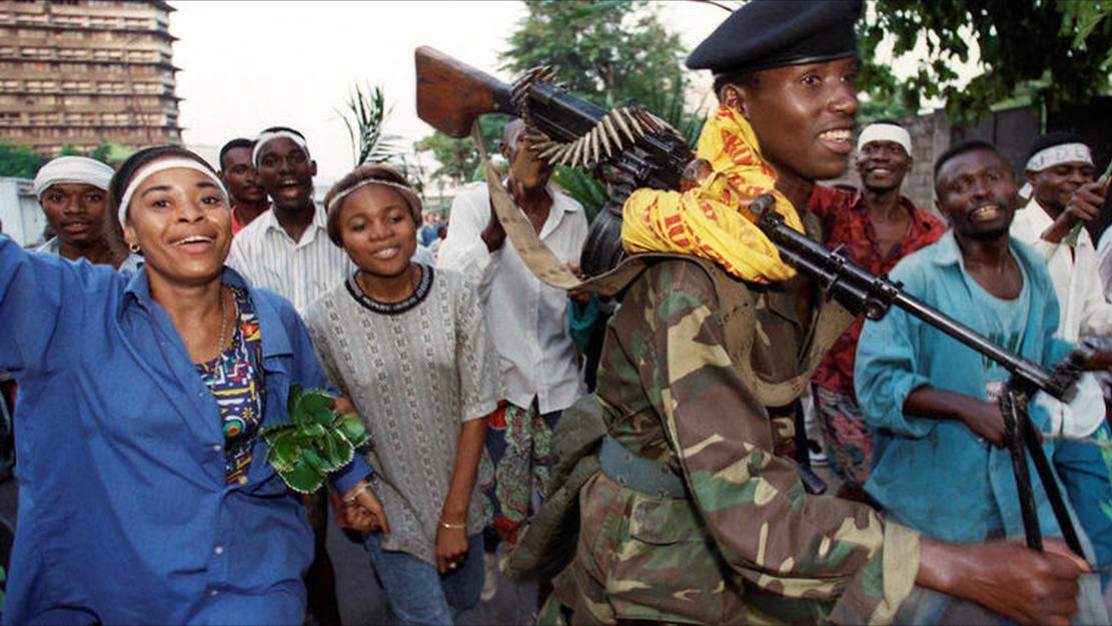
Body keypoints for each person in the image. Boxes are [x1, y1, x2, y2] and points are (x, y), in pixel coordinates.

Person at [544, 2, 1090, 625]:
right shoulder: (695, 265)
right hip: (659, 571)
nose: (846, 101)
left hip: (735, 544)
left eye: (847, 78)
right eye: (811, 81)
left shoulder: (773, 231)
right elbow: (747, 509)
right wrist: (963, 568)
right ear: (737, 104)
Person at [0, 146, 385, 624]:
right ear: (129, 231)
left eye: (208, 199)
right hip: (117, 585)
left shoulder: (270, 316)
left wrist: (350, 479)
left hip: (253, 572)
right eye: (161, 203)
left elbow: (312, 401)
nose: (190, 214)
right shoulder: (73, 308)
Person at [856, 139, 1110, 622]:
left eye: (992, 178)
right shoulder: (914, 279)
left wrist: (1083, 357)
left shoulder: (1034, 269)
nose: (979, 192)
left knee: (1063, 604)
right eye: (961, 185)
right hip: (938, 502)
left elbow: (1039, 354)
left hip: (1025, 488)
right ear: (941, 205)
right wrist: (965, 407)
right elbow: (876, 386)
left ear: (1016, 189)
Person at [306, 164, 500, 624]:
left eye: (394, 218)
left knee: (462, 598)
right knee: (428, 617)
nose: (380, 234)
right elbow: (329, 416)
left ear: (416, 221)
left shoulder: (457, 296)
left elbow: (477, 407)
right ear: (341, 241)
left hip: (460, 487)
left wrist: (453, 518)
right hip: (385, 498)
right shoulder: (323, 320)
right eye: (359, 225)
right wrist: (349, 491)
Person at [439, 117, 588, 601]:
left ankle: (548, 603)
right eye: (525, 142)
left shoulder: (573, 213)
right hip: (502, 388)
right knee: (501, 507)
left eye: (545, 142)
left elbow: (583, 302)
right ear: (504, 152)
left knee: (561, 515)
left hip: (562, 386)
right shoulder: (473, 202)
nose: (536, 151)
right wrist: (502, 218)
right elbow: (453, 288)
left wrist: (584, 286)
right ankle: (487, 556)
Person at [807, 121, 946, 500]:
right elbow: (784, 179)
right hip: (838, 376)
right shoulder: (832, 207)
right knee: (865, 480)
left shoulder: (932, 232)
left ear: (909, 164)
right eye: (871, 149)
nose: (881, 156)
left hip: (902, 379)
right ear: (857, 161)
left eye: (892, 149)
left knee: (897, 480)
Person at [1008, 132, 1112, 577]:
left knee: (1100, 528)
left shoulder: (1083, 239)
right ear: (1033, 177)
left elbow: (1093, 315)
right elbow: (1008, 292)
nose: (1077, 179)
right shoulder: (1006, 228)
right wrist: (1065, 222)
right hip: (1024, 413)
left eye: (1086, 172)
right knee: (1030, 536)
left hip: (1080, 411)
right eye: (1063, 171)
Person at [32, 155, 141, 272]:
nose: (74, 209)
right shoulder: (29, 271)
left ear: (115, 204)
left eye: (92, 198)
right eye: (57, 198)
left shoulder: (147, 270)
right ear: (41, 204)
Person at [218, 137, 269, 234]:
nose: (252, 178)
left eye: (258, 168)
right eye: (240, 170)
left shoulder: (295, 221)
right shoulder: (220, 231)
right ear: (222, 177)